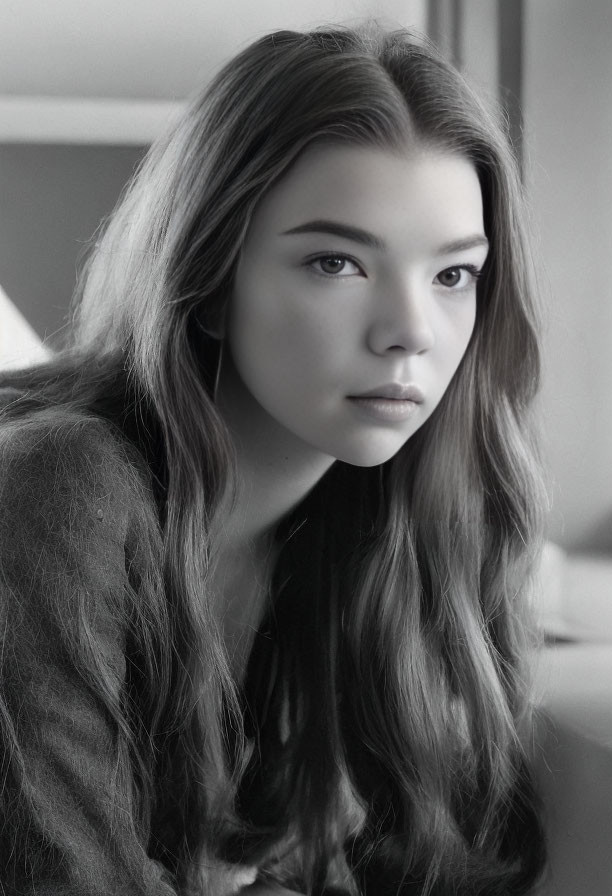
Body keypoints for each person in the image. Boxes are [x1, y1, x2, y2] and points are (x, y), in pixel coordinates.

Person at [0, 24, 547, 896]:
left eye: (453, 276)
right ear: (210, 280)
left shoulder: (371, 526)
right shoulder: (57, 488)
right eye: (336, 262)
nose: (411, 330)